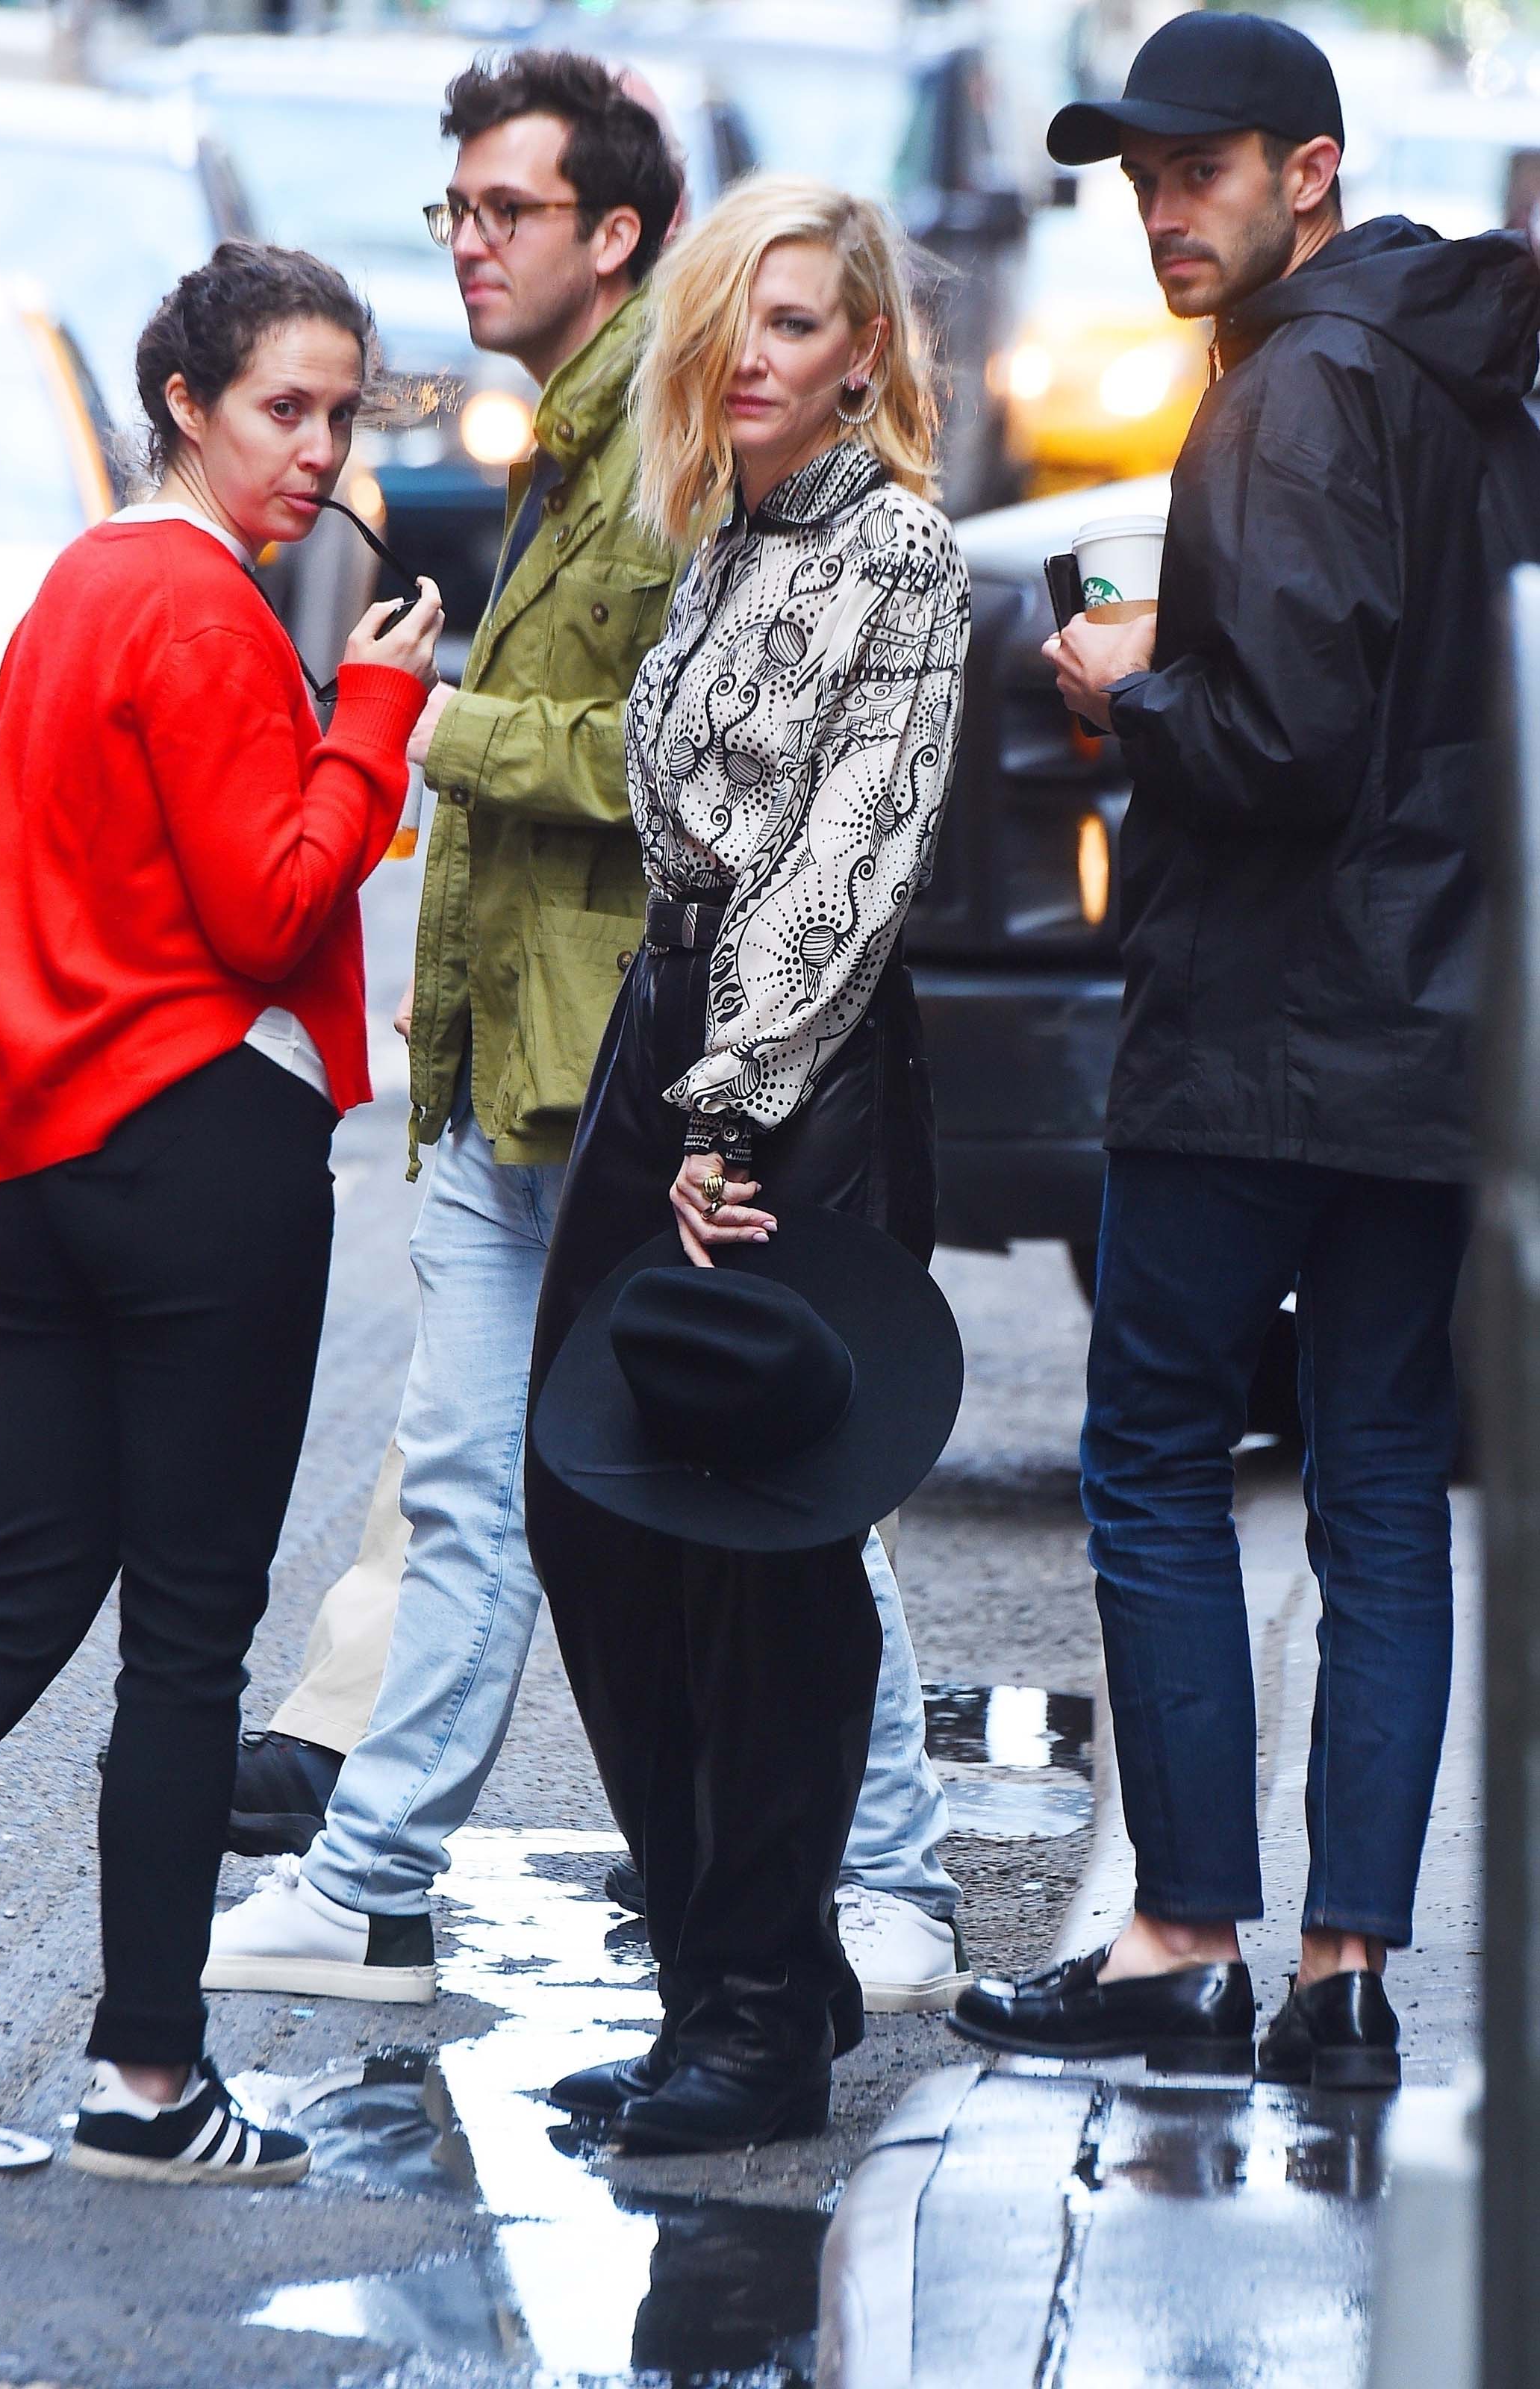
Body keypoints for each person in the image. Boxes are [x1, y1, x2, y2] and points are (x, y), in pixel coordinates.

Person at [207, 55, 967, 2021]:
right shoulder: (602, 441)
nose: (462, 244)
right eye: (450, 208)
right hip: (541, 1062)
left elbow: (750, 819)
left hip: (632, 1082)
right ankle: (386, 1880)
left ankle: (873, 1885)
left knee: (762, 1486)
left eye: (504, 212)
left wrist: (424, 731)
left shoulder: (736, 476)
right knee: (504, 1487)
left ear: (612, 233)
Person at [953, 11, 1540, 2084]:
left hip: (1262, 1024)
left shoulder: (1300, 389)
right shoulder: (1464, 365)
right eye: (1139, 183)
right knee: (1384, 1482)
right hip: (1433, 1027)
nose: (1160, 215)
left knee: (1153, 1458)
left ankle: (1185, 1938)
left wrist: (1131, 684)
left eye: (1198, 174)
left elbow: (1285, 744)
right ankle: (1346, 1977)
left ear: (1310, 170)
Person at [0, 240, 442, 2184]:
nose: (317, 452)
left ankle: (148, 2072)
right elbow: (272, 901)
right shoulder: (210, 611)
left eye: (341, 414)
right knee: (186, 1638)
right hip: (199, 1156)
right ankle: (147, 2082)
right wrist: (381, 706)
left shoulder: (72, 588)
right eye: (282, 411)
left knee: (18, 1599)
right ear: (188, 402)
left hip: (49, 1161)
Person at [523, 174, 972, 2156]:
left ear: (867, 349)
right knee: (591, 1506)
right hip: (667, 1030)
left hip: (797, 1073)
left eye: (794, 324)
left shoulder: (900, 549)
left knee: (764, 1549)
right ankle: (725, 1967)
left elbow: (845, 862)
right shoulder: (720, 540)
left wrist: (729, 1115)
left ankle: (763, 2006)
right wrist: (668, 1086)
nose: (753, 356)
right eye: (733, 323)